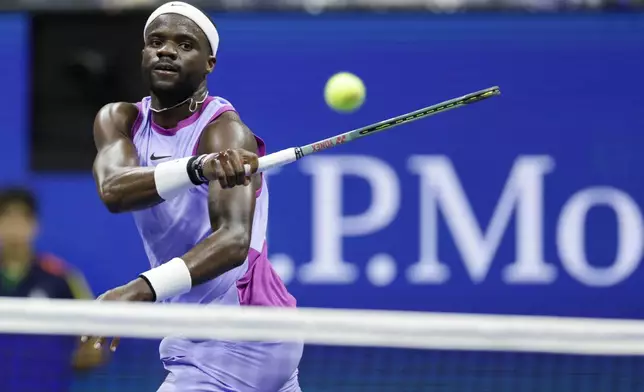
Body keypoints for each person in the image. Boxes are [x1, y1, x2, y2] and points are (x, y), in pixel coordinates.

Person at [88, 2, 302, 391]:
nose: (166, 50)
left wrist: (139, 290)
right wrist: (197, 167)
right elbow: (114, 191)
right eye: (156, 42)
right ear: (143, 53)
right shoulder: (119, 119)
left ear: (209, 64)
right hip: (213, 329)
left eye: (185, 44)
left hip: (240, 329)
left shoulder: (226, 133)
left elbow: (233, 242)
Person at [0, 187, 104, 392]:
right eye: (7, 217)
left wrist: (53, 361)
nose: (15, 227)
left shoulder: (62, 278)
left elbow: (95, 345)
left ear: (34, 224)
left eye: (22, 218)